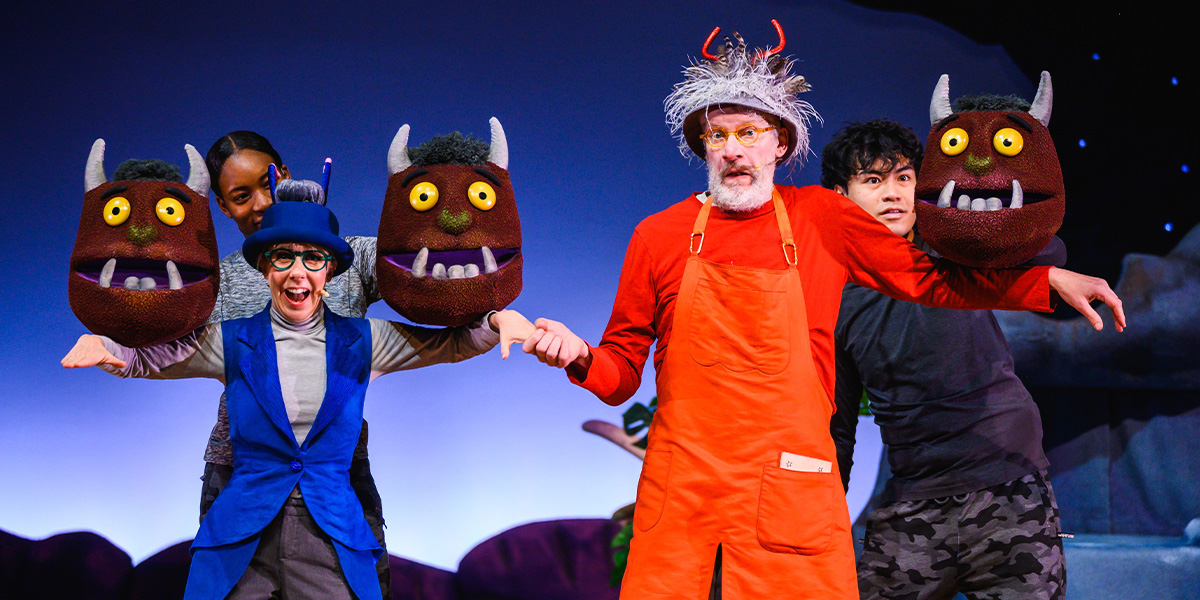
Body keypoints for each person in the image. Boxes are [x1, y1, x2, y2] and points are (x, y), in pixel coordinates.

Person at [520, 25, 1122, 600]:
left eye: (748, 132)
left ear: (780, 143)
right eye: (717, 136)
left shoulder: (820, 218)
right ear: (703, 146)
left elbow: (927, 278)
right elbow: (621, 374)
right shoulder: (657, 236)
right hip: (684, 490)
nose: (733, 150)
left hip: (788, 486)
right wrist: (579, 357)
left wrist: (1043, 281)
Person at [62, 196, 533, 599]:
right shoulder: (231, 341)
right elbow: (148, 359)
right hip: (242, 533)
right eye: (283, 257)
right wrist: (105, 346)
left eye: (313, 259)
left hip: (331, 532)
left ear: (329, 270)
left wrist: (498, 320)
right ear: (265, 267)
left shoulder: (365, 340)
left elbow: (453, 343)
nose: (297, 273)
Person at [823, 119, 1066, 600]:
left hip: (1009, 488)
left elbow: (1048, 250)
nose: (892, 193)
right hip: (914, 499)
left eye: (903, 177)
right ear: (839, 196)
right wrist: (822, 521)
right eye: (872, 180)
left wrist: (995, 239)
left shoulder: (951, 247)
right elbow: (839, 426)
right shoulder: (832, 295)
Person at [202, 131, 393, 594]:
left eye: (265, 184)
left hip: (336, 469)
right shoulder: (218, 282)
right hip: (241, 472)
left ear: (284, 175)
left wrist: (493, 317)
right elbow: (162, 338)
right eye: (240, 197)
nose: (260, 203)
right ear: (223, 207)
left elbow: (421, 272)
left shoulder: (344, 257)